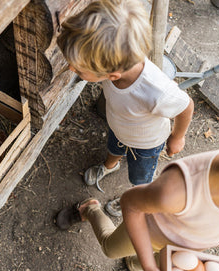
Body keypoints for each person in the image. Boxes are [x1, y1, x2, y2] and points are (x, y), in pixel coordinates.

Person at [56, 97, 219, 271]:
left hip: (181, 249)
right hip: (149, 231)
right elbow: (130, 204)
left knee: (145, 260)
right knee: (110, 248)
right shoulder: (179, 190)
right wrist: (151, 267)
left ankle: (135, 263)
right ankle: (90, 209)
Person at [57, 0, 194, 205]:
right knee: (114, 146)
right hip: (119, 127)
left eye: (78, 69)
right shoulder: (115, 66)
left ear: (111, 75)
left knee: (140, 177)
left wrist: (177, 137)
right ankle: (111, 165)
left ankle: (137, 198)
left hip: (146, 144)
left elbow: (186, 105)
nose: (70, 69)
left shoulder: (156, 91)